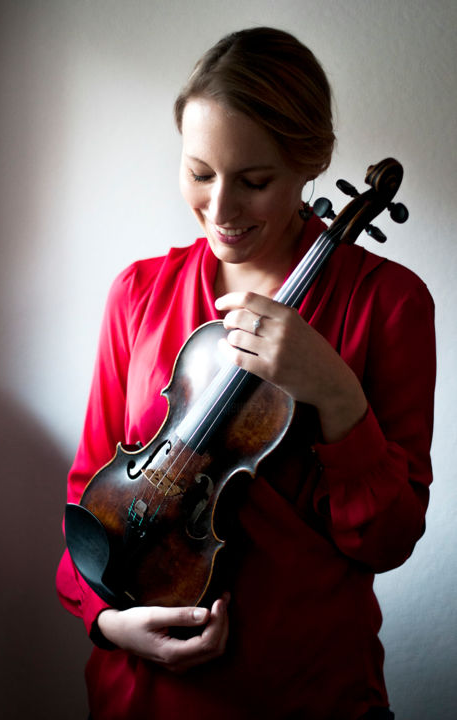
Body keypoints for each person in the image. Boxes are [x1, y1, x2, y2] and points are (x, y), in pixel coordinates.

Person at [56, 27, 435, 720]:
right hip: (142, 697)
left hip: (311, 695)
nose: (221, 211)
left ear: (311, 163)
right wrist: (107, 623)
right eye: (200, 173)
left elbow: (387, 540)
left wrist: (336, 392)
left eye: (255, 181)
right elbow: (90, 493)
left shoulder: (389, 304)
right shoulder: (138, 294)